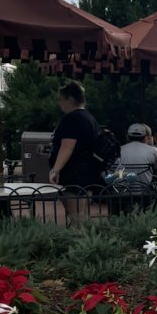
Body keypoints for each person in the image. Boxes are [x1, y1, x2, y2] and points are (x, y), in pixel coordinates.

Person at [49, 80, 100, 225]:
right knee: (83, 216)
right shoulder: (89, 118)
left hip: (73, 174)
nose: (60, 104)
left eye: (61, 99)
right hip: (89, 173)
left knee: (76, 217)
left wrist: (55, 169)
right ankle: (89, 243)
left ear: (70, 99)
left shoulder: (71, 119)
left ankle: (79, 244)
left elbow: (67, 146)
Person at [118, 123, 157, 188]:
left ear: (127, 137)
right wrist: (151, 172)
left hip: (122, 193)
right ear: (145, 138)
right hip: (145, 192)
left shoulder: (119, 151)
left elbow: (113, 172)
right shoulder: (153, 150)